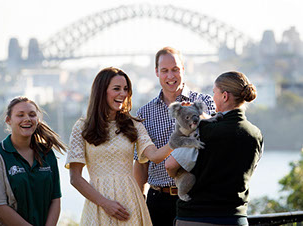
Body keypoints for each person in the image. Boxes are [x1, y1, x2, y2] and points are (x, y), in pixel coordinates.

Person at [66, 67, 174, 226]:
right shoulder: (81, 127)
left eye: (125, 89)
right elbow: (75, 178)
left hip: (129, 204)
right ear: (101, 91)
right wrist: (105, 204)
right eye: (116, 89)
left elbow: (156, 156)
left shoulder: (134, 125)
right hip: (98, 206)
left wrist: (180, 137)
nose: (123, 94)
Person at [165, 71, 264, 226]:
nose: (213, 98)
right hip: (235, 218)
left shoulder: (202, 131)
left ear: (224, 96)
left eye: (214, 93)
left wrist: (177, 177)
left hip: (195, 217)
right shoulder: (255, 134)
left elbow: (170, 164)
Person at [133, 46, 216, 226]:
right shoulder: (144, 113)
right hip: (158, 200)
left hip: (196, 197)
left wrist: (199, 117)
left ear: (183, 69)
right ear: (157, 72)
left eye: (175, 69)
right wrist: (139, 203)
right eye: (165, 71)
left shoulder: (205, 102)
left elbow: (216, 143)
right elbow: (141, 165)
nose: (170, 76)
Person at [0, 96, 66, 226]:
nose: (27, 119)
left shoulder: (47, 153)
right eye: (20, 115)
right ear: (8, 120)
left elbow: (55, 199)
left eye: (32, 114)